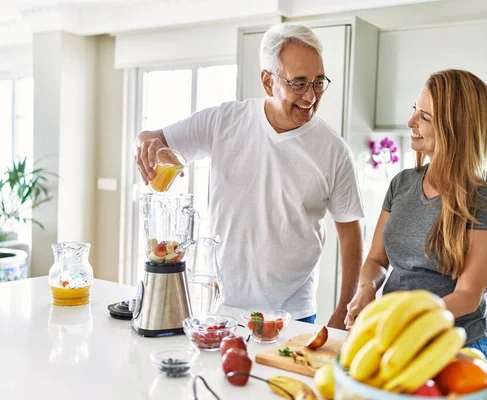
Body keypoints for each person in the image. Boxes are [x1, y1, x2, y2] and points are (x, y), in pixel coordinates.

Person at [135, 23, 364, 329]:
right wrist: (147, 146)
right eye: (298, 83)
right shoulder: (223, 122)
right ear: (268, 81)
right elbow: (152, 137)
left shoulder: (333, 150)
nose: (310, 96)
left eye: (318, 82)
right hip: (221, 304)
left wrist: (343, 309)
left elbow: (351, 234)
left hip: (293, 312)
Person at [344, 69, 487, 360]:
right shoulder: (402, 183)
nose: (411, 122)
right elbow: (376, 259)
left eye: (425, 117)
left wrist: (406, 322)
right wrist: (366, 288)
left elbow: (468, 295)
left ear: (455, 127)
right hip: (394, 340)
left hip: (456, 349)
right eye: (414, 110)